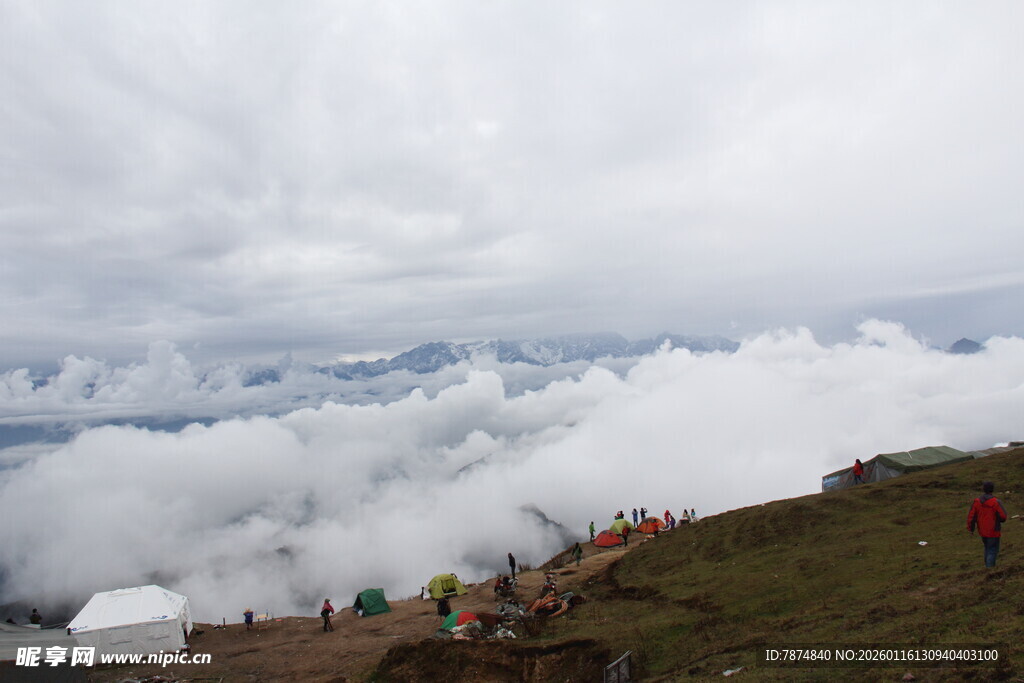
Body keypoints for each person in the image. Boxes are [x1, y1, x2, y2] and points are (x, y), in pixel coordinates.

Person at [967, 481, 1008, 568]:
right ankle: (989, 569)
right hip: (993, 531)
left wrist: (971, 528)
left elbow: (971, 516)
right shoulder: (996, 502)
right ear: (992, 489)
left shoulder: (977, 501)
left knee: (987, 548)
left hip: (982, 531)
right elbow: (1003, 517)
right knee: (992, 550)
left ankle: (987, 567)